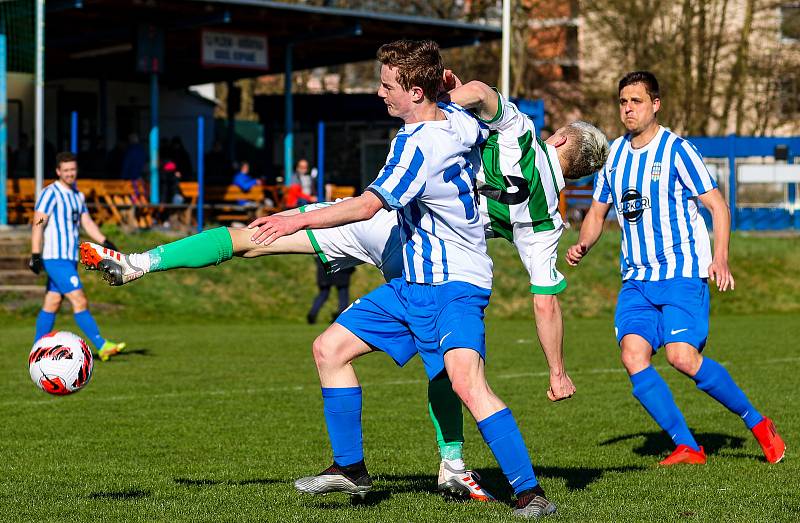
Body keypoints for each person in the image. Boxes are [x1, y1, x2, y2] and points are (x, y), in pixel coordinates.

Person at [78, 78, 608, 509]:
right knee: (442, 368)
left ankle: (137, 263)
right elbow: (546, 301)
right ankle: (444, 465)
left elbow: (480, 93)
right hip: (438, 251)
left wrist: (446, 98)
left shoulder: (510, 131)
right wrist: (557, 369)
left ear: (560, 137)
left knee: (255, 240)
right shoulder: (546, 221)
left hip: (398, 232)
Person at [565, 71, 785, 465]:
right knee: (633, 356)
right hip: (637, 279)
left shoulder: (678, 150)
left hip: (682, 273)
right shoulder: (613, 155)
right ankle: (687, 445)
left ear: (655, 104)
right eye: (623, 102)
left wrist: (720, 257)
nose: (628, 109)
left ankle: (757, 422)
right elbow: (598, 212)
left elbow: (718, 206)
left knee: (681, 357)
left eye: (636, 101)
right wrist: (583, 242)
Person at [29, 152, 127, 362]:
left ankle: (36, 350)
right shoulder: (50, 193)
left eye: (73, 169)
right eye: (66, 170)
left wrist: (105, 241)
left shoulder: (77, 195)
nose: (70, 173)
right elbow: (38, 221)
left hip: (70, 258)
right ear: (58, 172)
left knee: (52, 303)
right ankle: (102, 345)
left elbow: (87, 222)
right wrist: (35, 252)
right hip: (55, 258)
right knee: (79, 299)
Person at [307, 258, 354, 324]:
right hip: (342, 269)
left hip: (325, 267)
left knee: (323, 294)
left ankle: (312, 313)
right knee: (343, 295)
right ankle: (340, 317)